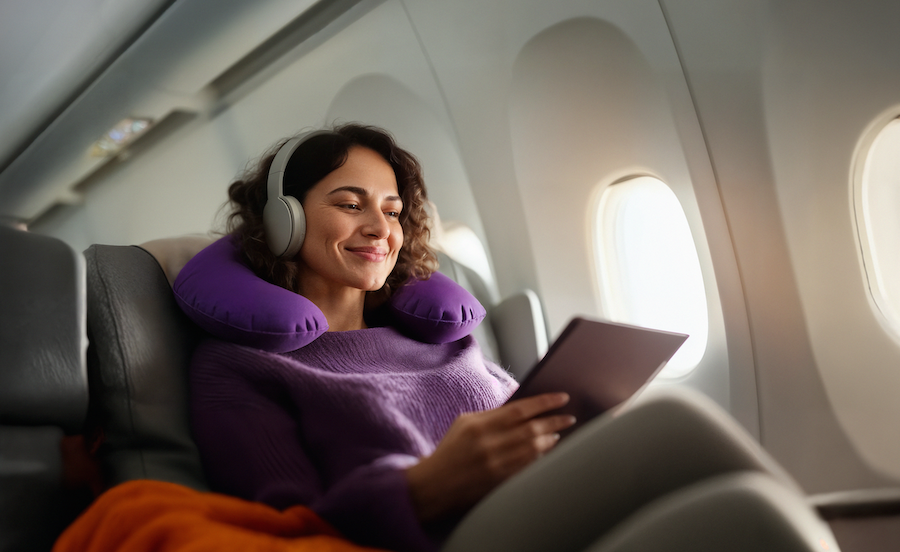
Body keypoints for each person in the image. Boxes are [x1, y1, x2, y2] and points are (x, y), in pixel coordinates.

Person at [189, 124, 809, 552]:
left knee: (747, 515)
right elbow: (282, 531)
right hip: (437, 536)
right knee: (676, 424)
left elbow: (516, 414)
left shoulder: (438, 337)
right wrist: (423, 487)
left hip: (529, 511)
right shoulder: (237, 368)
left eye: (393, 211)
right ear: (284, 218)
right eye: (351, 204)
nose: (379, 227)